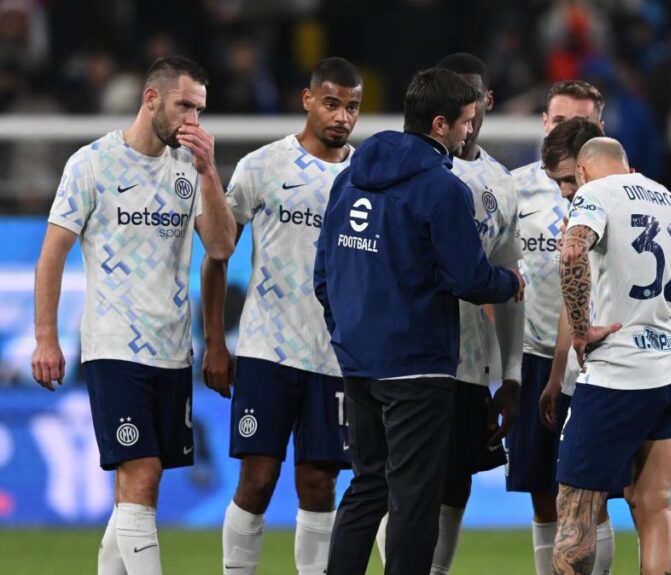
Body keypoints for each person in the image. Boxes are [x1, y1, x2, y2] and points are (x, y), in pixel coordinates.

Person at [31, 55, 236, 575]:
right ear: (151, 99)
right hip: (113, 345)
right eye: (185, 106)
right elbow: (52, 254)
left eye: (200, 109)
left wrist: (209, 172)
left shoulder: (190, 170)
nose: (193, 120)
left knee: (140, 487)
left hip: (172, 350)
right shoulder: (92, 164)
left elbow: (221, 247)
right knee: (140, 472)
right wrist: (46, 337)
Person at [315, 67, 523, 575]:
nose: (470, 131)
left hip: (358, 362)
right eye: (466, 121)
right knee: (414, 496)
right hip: (417, 364)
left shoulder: (349, 178)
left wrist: (346, 331)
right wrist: (509, 283)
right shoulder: (442, 188)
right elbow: (469, 278)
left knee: (368, 485)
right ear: (439, 124)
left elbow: (324, 273)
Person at [199, 57, 363, 575]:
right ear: (307, 100)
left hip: (336, 357)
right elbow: (217, 254)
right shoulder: (263, 166)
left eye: (352, 107)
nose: (342, 116)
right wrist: (216, 343)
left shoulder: (366, 178)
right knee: (258, 479)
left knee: (319, 483)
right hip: (266, 349)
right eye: (332, 103)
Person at [555, 137, 671, 575]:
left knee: (576, 507)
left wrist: (581, 331)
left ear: (583, 170)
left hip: (616, 376)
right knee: (655, 504)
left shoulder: (594, 194)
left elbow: (571, 250)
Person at [419, 51, 524, 575]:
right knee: (401, 478)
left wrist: (511, 374)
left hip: (469, 363)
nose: (466, 106)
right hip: (408, 357)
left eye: (473, 95)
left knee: (456, 481)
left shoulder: (501, 183)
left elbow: (511, 285)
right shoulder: (408, 167)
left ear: (487, 102)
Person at [506, 80, 616, 575]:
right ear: (544, 123)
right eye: (558, 121)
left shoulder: (619, 188)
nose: (567, 131)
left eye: (581, 123)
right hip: (536, 356)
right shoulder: (514, 188)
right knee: (542, 493)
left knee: (593, 495)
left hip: (599, 360)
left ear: (600, 128)